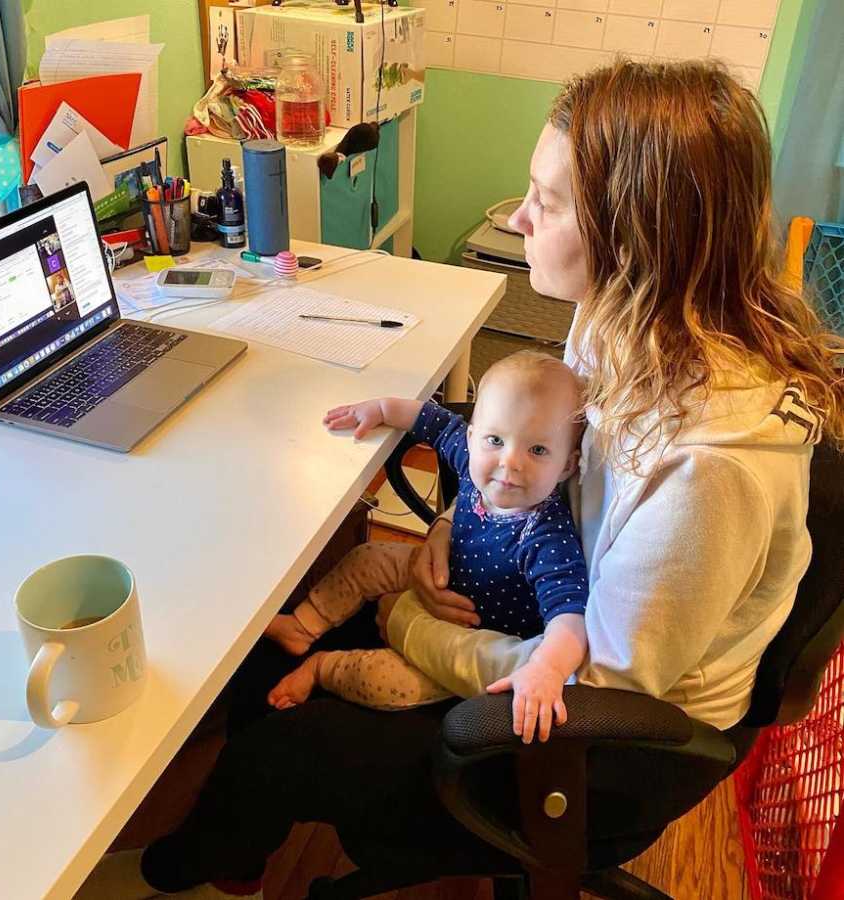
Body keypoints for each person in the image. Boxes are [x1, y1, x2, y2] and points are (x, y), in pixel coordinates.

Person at [75, 59, 844, 900]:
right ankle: (239, 852)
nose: (519, 216)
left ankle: (177, 873)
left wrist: (408, 626)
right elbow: (552, 462)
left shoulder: (709, 471)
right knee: (278, 644)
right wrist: (456, 524)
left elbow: (605, 686)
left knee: (281, 741)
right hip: (547, 598)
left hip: (587, 745)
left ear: (634, 237)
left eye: (546, 203)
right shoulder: (620, 320)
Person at [265, 352, 588, 726]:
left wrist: (547, 669)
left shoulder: (546, 537)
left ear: (567, 464)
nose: (509, 462)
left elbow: (570, 617)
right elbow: (434, 422)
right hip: (442, 572)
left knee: (386, 683)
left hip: (471, 639)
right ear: (473, 436)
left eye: (537, 450)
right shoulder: (473, 459)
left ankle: (321, 667)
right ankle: (303, 626)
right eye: (496, 439)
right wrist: (381, 408)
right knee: (368, 558)